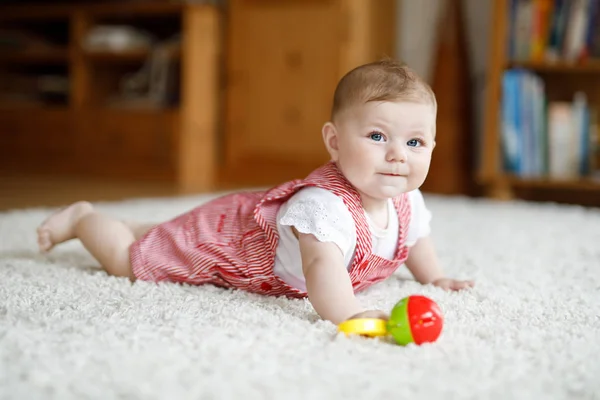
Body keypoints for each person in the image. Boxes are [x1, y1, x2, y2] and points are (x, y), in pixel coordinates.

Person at [37, 58, 474, 325]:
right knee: (130, 261)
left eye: (415, 142)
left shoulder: (405, 199)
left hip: (247, 218)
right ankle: (84, 219)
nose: (398, 155)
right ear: (335, 142)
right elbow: (323, 271)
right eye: (378, 136)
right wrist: (349, 315)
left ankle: (136, 224)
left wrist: (433, 277)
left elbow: (414, 239)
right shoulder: (326, 209)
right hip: (230, 243)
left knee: (171, 230)